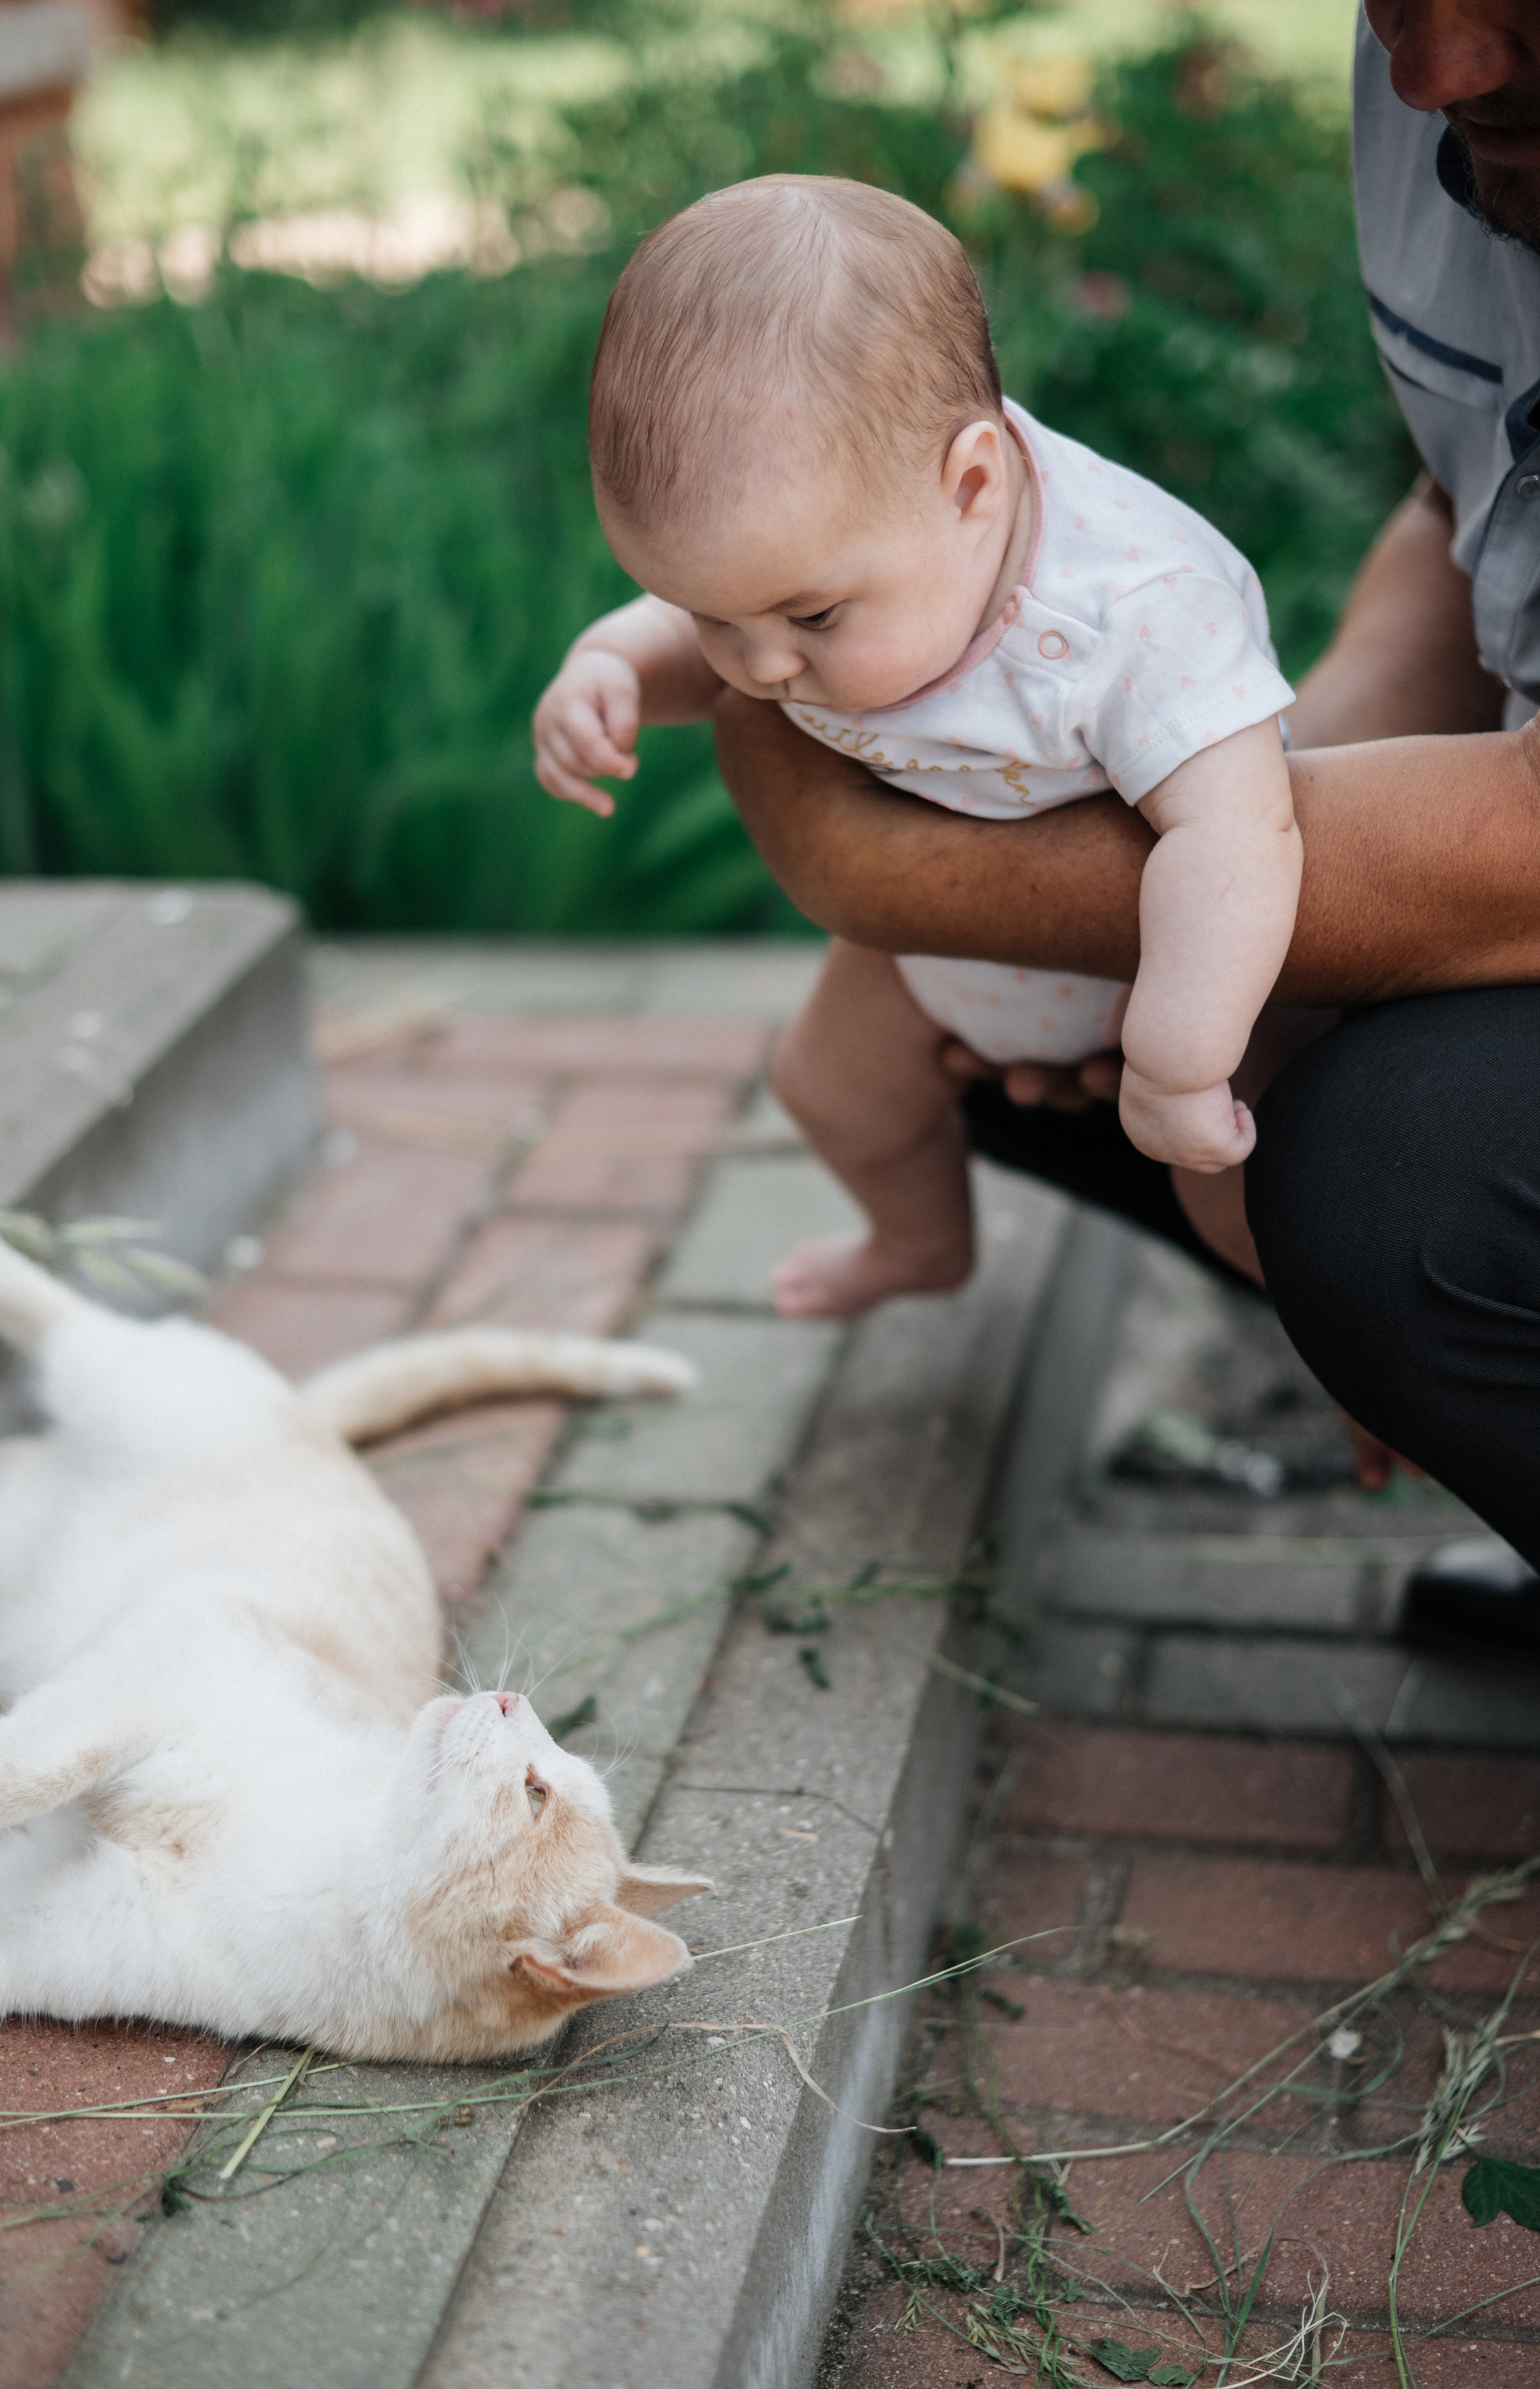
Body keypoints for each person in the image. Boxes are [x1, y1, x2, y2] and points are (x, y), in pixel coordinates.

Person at [703, 0, 1540, 1638]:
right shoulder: (1458, 94)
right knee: (1019, 1035)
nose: (1431, 72)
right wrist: (1241, 806)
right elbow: (1460, 504)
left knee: (1386, 1183)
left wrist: (892, 867)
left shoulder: (1114, 586)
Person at [532, 178, 1302, 1321]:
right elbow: (739, 630)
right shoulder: (852, 543)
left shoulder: (1136, 614)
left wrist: (1183, 1051)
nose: (757, 669)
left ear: (974, 486)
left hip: (1187, 964)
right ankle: (918, 1242)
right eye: (705, 616)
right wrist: (619, 664)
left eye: (812, 619)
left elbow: (1239, 829)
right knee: (830, 1088)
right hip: (943, 945)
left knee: (1242, 1198)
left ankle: (1341, 1355)